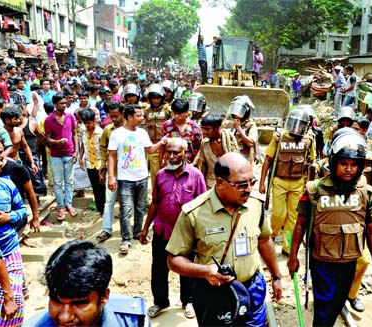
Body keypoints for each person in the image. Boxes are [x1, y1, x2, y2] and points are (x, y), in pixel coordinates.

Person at [167, 152, 283, 326]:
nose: (249, 189)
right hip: (214, 295)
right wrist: (205, 271)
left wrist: (276, 277)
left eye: (252, 182)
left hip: (252, 289)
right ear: (220, 183)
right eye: (242, 185)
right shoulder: (194, 213)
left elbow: (264, 240)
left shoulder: (255, 205)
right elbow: (173, 259)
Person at [287, 128, 372, 326]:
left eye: (354, 165)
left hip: (349, 262)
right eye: (343, 164)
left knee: (337, 305)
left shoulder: (365, 192)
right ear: (334, 163)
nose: (349, 169)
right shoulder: (314, 190)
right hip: (322, 262)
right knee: (323, 311)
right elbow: (300, 225)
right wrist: (292, 257)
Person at [139, 137, 206, 319]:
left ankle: (188, 301)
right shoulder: (160, 175)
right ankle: (160, 301)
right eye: (169, 152)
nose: (171, 156)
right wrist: (145, 228)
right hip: (161, 230)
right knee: (159, 268)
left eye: (176, 152)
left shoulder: (195, 176)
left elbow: (202, 207)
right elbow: (155, 202)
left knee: (187, 269)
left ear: (185, 153)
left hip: (185, 234)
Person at [24, 240, 151, 327]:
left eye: (78, 303)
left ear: (104, 297)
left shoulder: (133, 321)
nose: (64, 317)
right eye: (57, 301)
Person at [107, 104, 165, 255]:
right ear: (130, 117)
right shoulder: (117, 134)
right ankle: (125, 239)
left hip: (142, 177)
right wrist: (111, 177)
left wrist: (162, 142)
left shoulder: (142, 133)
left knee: (140, 208)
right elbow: (111, 155)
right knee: (125, 210)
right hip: (125, 179)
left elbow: (150, 149)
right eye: (139, 115)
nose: (142, 118)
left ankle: (138, 232)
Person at [259, 108, 315, 255]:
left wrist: (311, 187)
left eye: (300, 125)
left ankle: (287, 246)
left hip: (298, 183)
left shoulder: (308, 141)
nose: (296, 128)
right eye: (294, 124)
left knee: (293, 217)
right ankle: (271, 234)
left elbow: (312, 164)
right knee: (278, 214)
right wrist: (262, 183)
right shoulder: (279, 138)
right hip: (279, 181)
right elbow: (268, 160)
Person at [0, 160, 27, 326]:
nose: (1, 163)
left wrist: (9, 217)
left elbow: (22, 211)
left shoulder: (7, 185)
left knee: (15, 303)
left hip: (9, 250)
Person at [44, 93, 78, 221]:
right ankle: (60, 206)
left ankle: (68, 204)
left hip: (69, 152)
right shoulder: (49, 120)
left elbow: (75, 133)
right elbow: (47, 138)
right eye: (61, 103)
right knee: (58, 183)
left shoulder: (70, 116)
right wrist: (56, 142)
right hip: (56, 154)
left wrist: (76, 151)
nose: (64, 105)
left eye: (65, 103)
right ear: (55, 105)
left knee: (69, 181)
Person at [96, 101, 124, 243]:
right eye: (111, 116)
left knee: (126, 202)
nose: (113, 118)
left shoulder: (130, 129)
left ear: (123, 114)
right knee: (109, 201)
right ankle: (106, 229)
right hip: (112, 172)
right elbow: (102, 147)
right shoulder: (108, 130)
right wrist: (103, 164)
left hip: (127, 172)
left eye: (116, 115)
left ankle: (126, 232)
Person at [199, 114, 239, 189]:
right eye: (203, 129)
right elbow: (204, 165)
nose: (204, 132)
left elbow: (236, 161)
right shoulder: (204, 143)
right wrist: (202, 184)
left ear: (217, 128)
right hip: (210, 182)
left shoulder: (229, 139)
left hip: (228, 181)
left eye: (207, 129)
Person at [79, 109, 105, 216]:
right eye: (85, 123)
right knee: (94, 187)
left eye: (88, 123)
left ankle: (105, 209)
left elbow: (105, 149)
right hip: (89, 163)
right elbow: (82, 145)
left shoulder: (100, 133)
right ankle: (100, 210)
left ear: (94, 121)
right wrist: (80, 158)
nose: (87, 125)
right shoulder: (83, 131)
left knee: (102, 188)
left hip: (100, 164)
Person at [144, 83, 171, 186]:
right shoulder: (146, 111)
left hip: (164, 145)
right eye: (153, 98)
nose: (155, 101)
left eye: (158, 98)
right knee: (154, 174)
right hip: (150, 145)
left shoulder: (167, 110)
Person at [162, 99, 202, 165]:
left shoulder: (195, 128)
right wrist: (161, 162)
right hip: (170, 164)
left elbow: (200, 148)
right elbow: (163, 145)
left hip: (189, 164)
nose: (176, 116)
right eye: (174, 113)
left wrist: (194, 163)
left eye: (180, 114)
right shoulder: (166, 125)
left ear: (186, 112)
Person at [227, 95, 258, 164]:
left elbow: (251, 143)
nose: (236, 114)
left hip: (244, 160)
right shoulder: (227, 123)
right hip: (230, 158)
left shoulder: (250, 125)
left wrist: (238, 128)